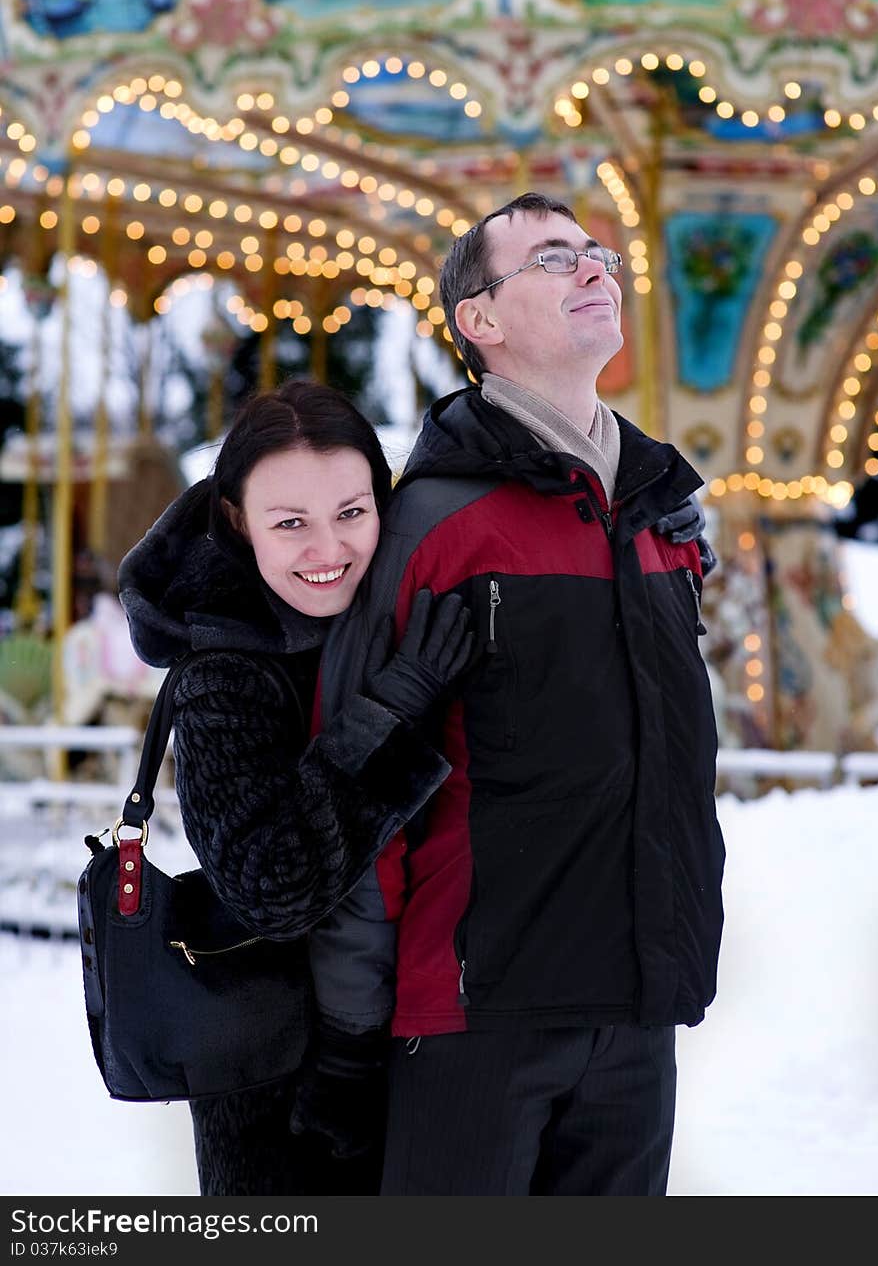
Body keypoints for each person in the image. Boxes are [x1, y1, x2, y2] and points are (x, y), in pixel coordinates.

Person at [313, 192, 724, 1196]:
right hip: (472, 1017)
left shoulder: (658, 520)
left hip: (632, 1010)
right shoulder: (434, 527)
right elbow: (358, 783)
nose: (595, 269)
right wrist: (349, 1028)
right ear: (479, 321)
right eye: (551, 257)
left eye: (595, 253)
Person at [117, 378, 471, 1196]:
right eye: (291, 524)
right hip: (278, 1090)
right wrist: (395, 707)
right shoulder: (221, 671)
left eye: (352, 513)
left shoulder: (385, 613)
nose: (328, 550)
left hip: (423, 1051)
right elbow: (272, 886)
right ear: (238, 521)